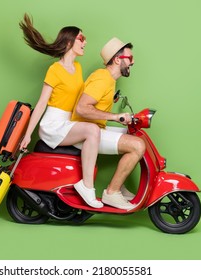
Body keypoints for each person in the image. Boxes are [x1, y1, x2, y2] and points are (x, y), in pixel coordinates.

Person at [18, 14, 103, 208]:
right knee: (92, 131)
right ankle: (87, 188)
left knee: (96, 130)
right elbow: (41, 104)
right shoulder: (54, 70)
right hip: (53, 124)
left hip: (70, 121)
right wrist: (28, 134)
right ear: (69, 42)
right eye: (81, 38)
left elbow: (81, 98)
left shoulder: (78, 67)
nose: (85, 42)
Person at [72, 37, 146, 210]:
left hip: (96, 129)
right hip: (85, 134)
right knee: (137, 146)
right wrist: (115, 116)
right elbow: (81, 108)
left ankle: (118, 186)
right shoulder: (102, 78)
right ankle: (112, 193)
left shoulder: (109, 80)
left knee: (132, 136)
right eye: (130, 58)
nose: (133, 62)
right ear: (118, 59)